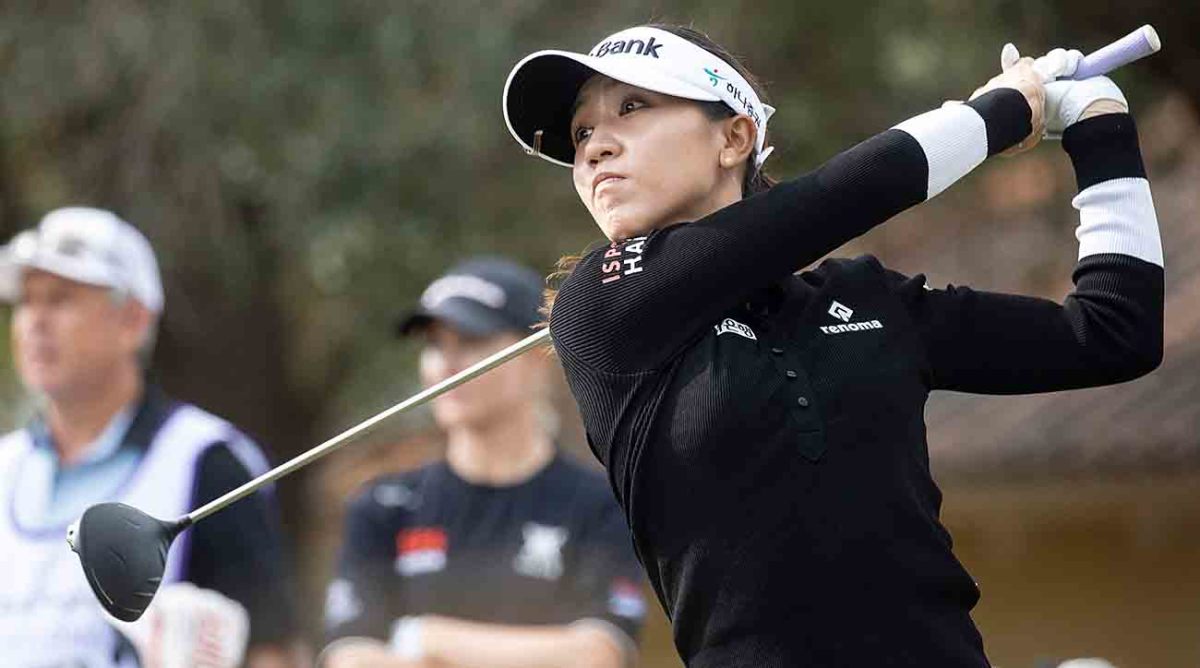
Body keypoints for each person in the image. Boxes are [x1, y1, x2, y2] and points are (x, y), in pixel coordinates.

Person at [501, 24, 1163, 667]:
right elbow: (845, 196)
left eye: (633, 107)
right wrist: (997, 112)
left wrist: (1099, 123)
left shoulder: (868, 300)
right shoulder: (599, 303)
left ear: (734, 137)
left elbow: (1112, 333)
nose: (594, 147)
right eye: (583, 131)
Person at [0, 207, 307, 667]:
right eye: (26, 301)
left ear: (133, 322)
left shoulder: (208, 461)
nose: (35, 322)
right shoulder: (6, 465)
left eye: (60, 299)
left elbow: (274, 652)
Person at [321, 257, 646, 668]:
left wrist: (426, 636)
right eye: (435, 345)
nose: (445, 365)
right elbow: (350, 657)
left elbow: (597, 656)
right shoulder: (383, 505)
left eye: (471, 341)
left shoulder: (600, 503)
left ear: (537, 357)